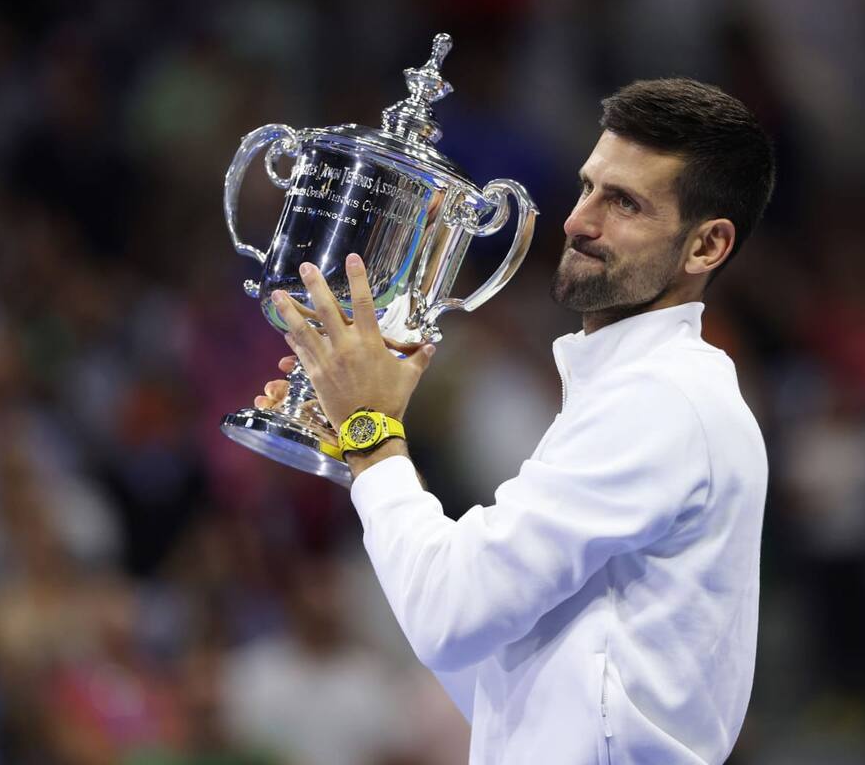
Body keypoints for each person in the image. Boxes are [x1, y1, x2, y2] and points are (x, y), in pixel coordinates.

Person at [258, 78, 776, 765]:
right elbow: (509, 684)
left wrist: (372, 434)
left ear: (706, 247)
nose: (579, 221)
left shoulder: (663, 402)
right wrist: (357, 440)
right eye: (589, 187)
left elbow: (451, 615)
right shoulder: (633, 391)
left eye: (624, 203)